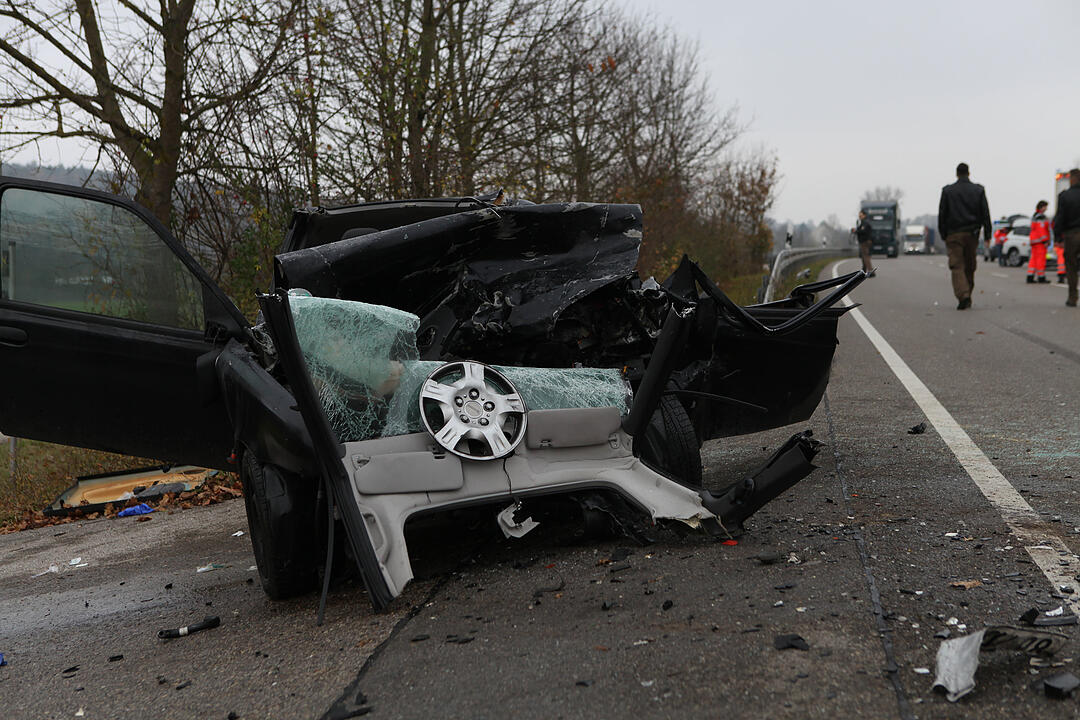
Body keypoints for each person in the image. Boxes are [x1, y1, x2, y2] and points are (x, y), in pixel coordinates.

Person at [938, 162, 992, 310]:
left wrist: (943, 233)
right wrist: (988, 234)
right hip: (972, 234)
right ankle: (967, 292)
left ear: (956, 174)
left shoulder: (948, 191)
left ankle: (963, 295)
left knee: (956, 266)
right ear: (969, 173)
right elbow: (985, 213)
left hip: (953, 234)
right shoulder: (978, 190)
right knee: (970, 266)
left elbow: (942, 214)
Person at [1053, 168, 1080, 307]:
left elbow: (1060, 218)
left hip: (1072, 235)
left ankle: (1072, 297)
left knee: (1071, 267)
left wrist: (1058, 237)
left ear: (1072, 179)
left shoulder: (1065, 196)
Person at [1027, 201, 1051, 283]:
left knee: (1033, 259)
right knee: (1040, 259)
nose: (1047, 208)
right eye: (1045, 206)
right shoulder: (1041, 217)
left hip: (1034, 241)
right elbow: (1041, 230)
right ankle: (1041, 277)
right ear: (1042, 207)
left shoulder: (1035, 216)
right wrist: (1045, 241)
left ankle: (1030, 276)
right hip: (1040, 242)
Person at [854, 210, 874, 274]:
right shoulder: (863, 222)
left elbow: (863, 231)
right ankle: (863, 271)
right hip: (864, 241)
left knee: (865, 256)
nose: (859, 216)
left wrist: (856, 231)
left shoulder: (865, 222)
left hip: (865, 242)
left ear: (864, 215)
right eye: (859, 215)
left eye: (861, 215)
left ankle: (871, 272)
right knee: (863, 256)